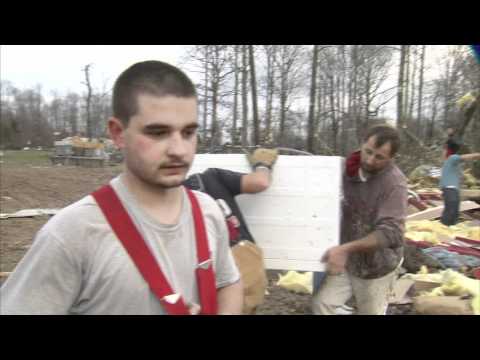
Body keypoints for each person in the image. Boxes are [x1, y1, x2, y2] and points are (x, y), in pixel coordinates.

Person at [0, 60, 243, 315]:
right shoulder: (73, 234)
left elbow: (229, 283)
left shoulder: (208, 212)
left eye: (188, 132)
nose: (179, 150)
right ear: (117, 133)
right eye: (158, 132)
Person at [312, 124, 408, 315]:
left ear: (391, 158)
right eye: (368, 152)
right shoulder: (344, 169)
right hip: (347, 261)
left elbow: (391, 232)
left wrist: (345, 249)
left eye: (379, 157)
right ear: (362, 144)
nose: (370, 160)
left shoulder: (394, 183)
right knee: (322, 304)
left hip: (377, 266)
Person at [184, 148, 278, 314]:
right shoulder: (210, 177)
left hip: (200, 269)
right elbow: (260, 182)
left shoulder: (165, 193)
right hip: (240, 260)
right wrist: (262, 164)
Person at [439, 139, 480, 226]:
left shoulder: (451, 162)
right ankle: (444, 227)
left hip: (452, 189)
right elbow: (470, 157)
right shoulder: (452, 158)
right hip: (450, 188)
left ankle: (450, 228)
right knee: (451, 211)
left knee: (454, 212)